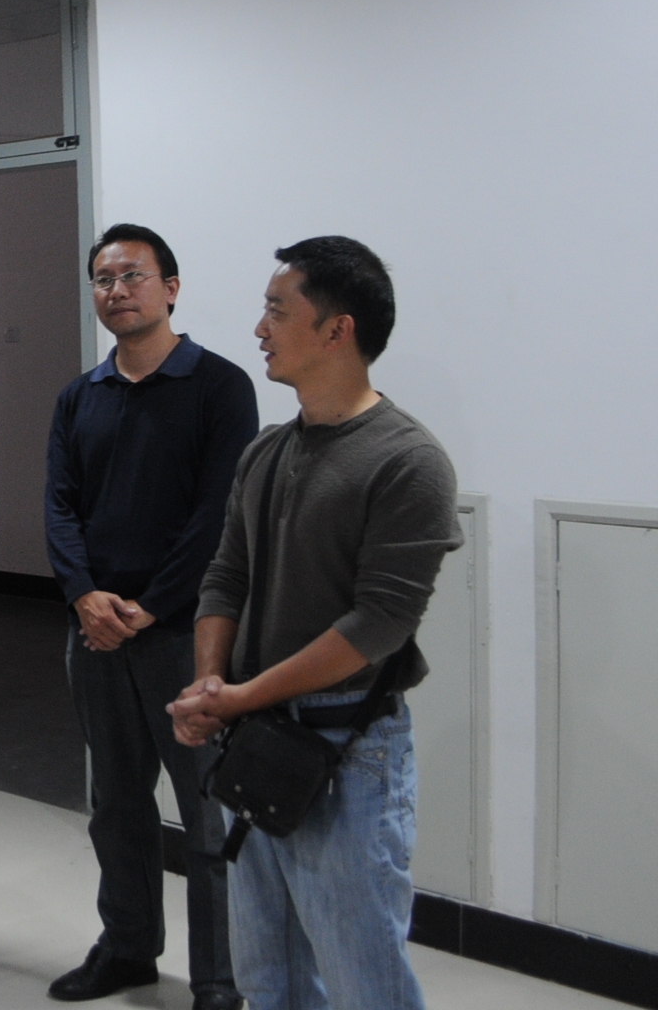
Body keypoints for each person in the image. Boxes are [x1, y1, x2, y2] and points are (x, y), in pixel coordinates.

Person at [169, 237, 460, 1010]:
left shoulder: (408, 462)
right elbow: (226, 576)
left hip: (349, 753)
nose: (259, 328)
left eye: (277, 310)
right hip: (254, 739)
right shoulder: (266, 452)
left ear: (338, 329)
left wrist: (239, 696)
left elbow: (378, 624)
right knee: (270, 978)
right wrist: (212, 684)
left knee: (366, 980)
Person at [45, 224, 257, 1010]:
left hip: (186, 636)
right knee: (117, 805)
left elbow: (217, 515)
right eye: (103, 279)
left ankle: (219, 981)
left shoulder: (221, 386)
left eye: (132, 275)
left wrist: (150, 605)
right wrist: (84, 596)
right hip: (96, 634)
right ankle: (128, 947)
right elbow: (59, 507)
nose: (117, 291)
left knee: (208, 815)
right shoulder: (81, 396)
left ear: (170, 288)